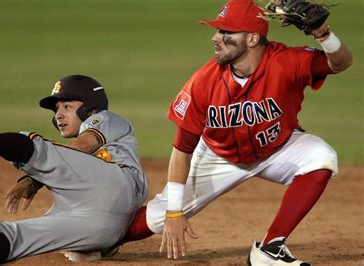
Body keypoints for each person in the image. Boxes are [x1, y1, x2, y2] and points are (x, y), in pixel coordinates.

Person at [116, 0, 353, 265]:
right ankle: (96, 238)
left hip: (277, 149)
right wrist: (174, 213)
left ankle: (269, 249)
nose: (216, 38)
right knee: (157, 218)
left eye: (226, 33)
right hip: (218, 156)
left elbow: (340, 63)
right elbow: (182, 149)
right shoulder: (204, 82)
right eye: (218, 31)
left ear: (252, 38)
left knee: (322, 157)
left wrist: (323, 34)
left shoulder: (285, 62)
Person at [0, 74, 149, 265]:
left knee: (38, 148)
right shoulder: (78, 176)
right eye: (56, 110)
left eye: (67, 106)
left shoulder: (107, 118)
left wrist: (34, 179)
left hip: (116, 183)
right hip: (104, 228)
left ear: (91, 109)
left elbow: (82, 147)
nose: (59, 115)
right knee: (20, 234)